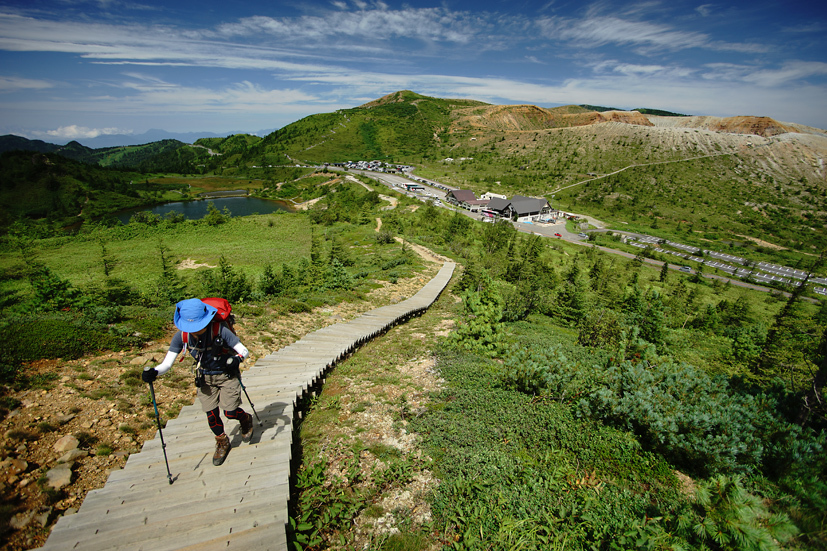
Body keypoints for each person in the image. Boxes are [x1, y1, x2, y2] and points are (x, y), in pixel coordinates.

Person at [142, 298, 253, 466]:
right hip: (204, 377)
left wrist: (237, 360)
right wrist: (154, 372)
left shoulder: (220, 330)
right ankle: (222, 441)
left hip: (226, 375)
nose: (193, 330)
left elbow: (243, 351)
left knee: (230, 411)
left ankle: (245, 419)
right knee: (211, 414)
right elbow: (167, 364)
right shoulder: (182, 336)